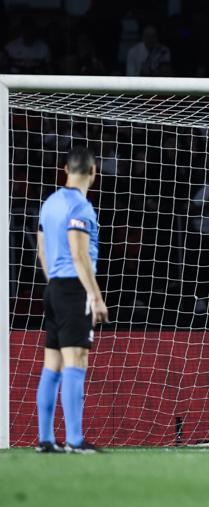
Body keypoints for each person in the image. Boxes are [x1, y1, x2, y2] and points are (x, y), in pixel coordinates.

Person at [34, 147, 108, 454]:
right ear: (93, 172)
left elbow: (41, 247)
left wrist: (53, 283)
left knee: (52, 363)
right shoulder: (81, 207)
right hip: (73, 289)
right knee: (75, 361)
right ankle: (75, 440)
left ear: (66, 169)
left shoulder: (50, 203)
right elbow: (79, 255)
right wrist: (95, 297)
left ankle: (45, 439)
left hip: (53, 288)